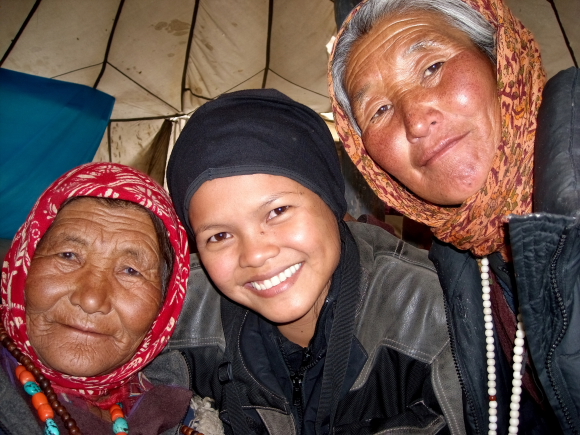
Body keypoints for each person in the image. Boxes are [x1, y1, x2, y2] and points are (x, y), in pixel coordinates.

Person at [328, 0, 580, 433]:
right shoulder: (457, 261)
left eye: (431, 67)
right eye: (380, 110)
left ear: (501, 59)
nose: (415, 120)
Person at [157, 88, 466, 435]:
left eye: (277, 211)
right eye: (219, 236)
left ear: (331, 199)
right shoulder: (172, 324)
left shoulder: (438, 318)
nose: (256, 254)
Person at [0, 162, 206, 434]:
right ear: (22, 268)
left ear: (165, 305)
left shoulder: (184, 407)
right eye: (68, 255)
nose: (91, 300)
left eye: (131, 271)